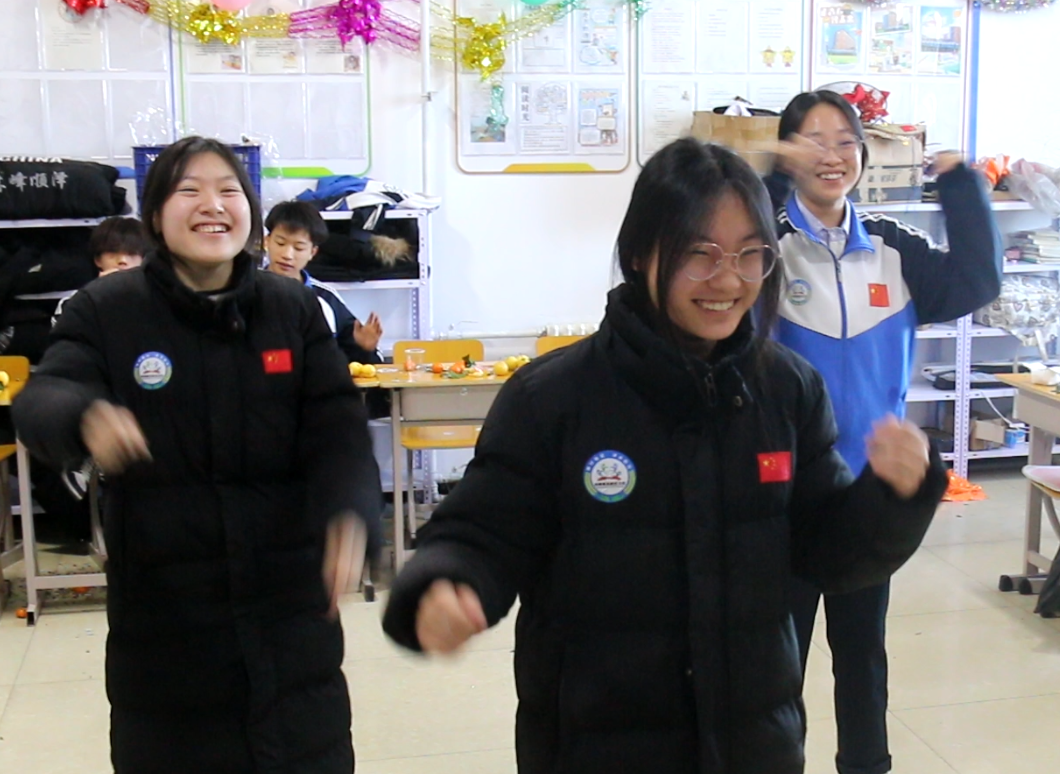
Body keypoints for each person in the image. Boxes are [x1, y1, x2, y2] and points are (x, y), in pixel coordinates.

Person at [381, 139, 949, 774]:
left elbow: (829, 551)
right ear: (640, 254)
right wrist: (446, 582)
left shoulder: (787, 390)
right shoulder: (554, 397)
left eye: (750, 254)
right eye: (699, 254)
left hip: (752, 743)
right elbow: (484, 530)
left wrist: (893, 497)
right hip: (595, 747)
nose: (727, 280)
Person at [13, 136, 383, 774]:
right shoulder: (109, 307)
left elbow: (338, 429)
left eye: (228, 190)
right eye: (189, 190)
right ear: (156, 215)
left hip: (287, 603)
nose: (212, 204)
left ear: (249, 213)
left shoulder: (291, 308)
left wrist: (353, 512)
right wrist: (82, 415)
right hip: (167, 608)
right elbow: (44, 395)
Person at [767, 90, 1002, 774]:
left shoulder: (893, 247)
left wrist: (961, 187)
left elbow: (974, 282)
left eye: (845, 141)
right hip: (782, 492)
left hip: (869, 494)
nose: (831, 155)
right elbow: (733, 237)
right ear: (788, 153)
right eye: (812, 141)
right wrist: (770, 178)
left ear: (863, 155)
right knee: (775, 660)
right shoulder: (766, 245)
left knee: (862, 655)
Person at [264, 200, 383, 366]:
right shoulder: (244, 292)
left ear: (312, 252)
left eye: (299, 248)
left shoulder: (326, 298)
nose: (287, 255)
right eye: (280, 243)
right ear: (266, 242)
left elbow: (356, 362)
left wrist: (364, 349)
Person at [52, 215, 148, 323]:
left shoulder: (155, 300)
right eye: (113, 253)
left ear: (143, 259)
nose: (122, 260)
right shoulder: (72, 303)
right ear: (98, 260)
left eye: (132, 254)